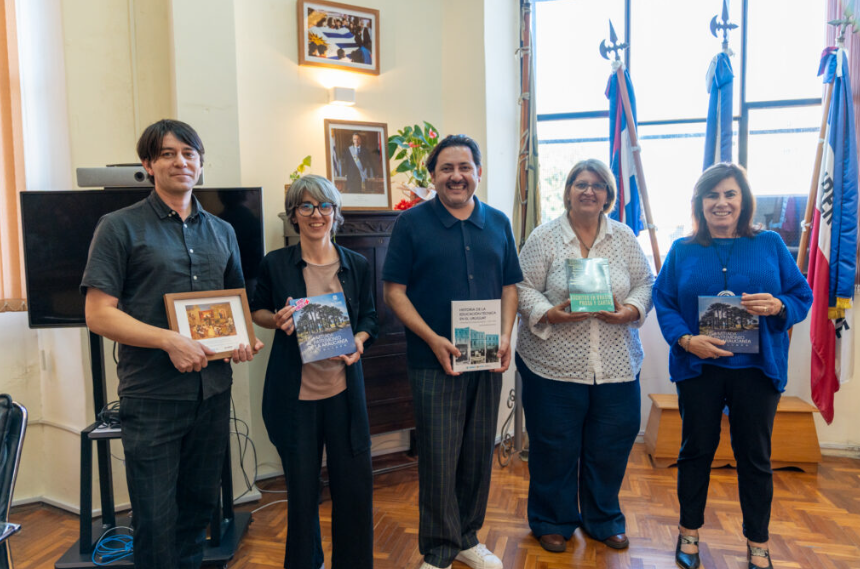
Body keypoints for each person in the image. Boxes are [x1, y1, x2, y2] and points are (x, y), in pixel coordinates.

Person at [81, 119, 263, 569]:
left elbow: (235, 307)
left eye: (188, 153)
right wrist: (170, 341)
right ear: (148, 164)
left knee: (198, 510)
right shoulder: (118, 227)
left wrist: (240, 342)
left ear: (200, 163)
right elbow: (98, 313)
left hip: (213, 392)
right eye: (167, 154)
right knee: (156, 520)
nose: (180, 161)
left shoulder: (222, 232)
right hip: (153, 396)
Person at [653, 163, 812, 569]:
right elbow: (665, 300)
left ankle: (758, 542)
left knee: (755, 457)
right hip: (699, 370)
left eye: (729, 194)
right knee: (695, 452)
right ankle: (689, 534)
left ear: (743, 200)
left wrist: (779, 306)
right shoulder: (681, 249)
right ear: (700, 203)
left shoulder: (771, 243)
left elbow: (801, 295)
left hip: (757, 370)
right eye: (712, 195)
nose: (721, 203)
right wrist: (687, 340)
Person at [382, 134, 522, 569]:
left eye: (465, 167)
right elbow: (394, 292)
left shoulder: (498, 223)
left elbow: (509, 286)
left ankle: (467, 537)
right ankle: (439, 551)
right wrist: (431, 337)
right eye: (447, 168)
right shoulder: (411, 224)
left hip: (485, 358)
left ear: (478, 173)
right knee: (439, 459)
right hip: (433, 361)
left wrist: (504, 335)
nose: (456, 176)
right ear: (434, 176)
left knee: (479, 451)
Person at [515, 158, 654, 554]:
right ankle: (552, 520)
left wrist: (629, 310)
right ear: (568, 191)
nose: (588, 190)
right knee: (553, 446)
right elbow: (522, 287)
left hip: (617, 364)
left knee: (611, 444)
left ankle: (603, 518)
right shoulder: (544, 237)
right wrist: (548, 312)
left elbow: (646, 284)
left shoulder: (624, 237)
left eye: (597, 184)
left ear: (608, 194)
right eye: (580, 183)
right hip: (552, 364)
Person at [250, 175, 378, 569]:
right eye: (305, 206)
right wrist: (278, 320)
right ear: (293, 215)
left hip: (344, 395)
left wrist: (359, 339)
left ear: (335, 213)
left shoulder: (355, 264)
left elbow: (370, 317)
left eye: (324, 206)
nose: (316, 214)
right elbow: (258, 311)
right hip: (296, 399)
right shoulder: (275, 263)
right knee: (303, 492)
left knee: (353, 488)